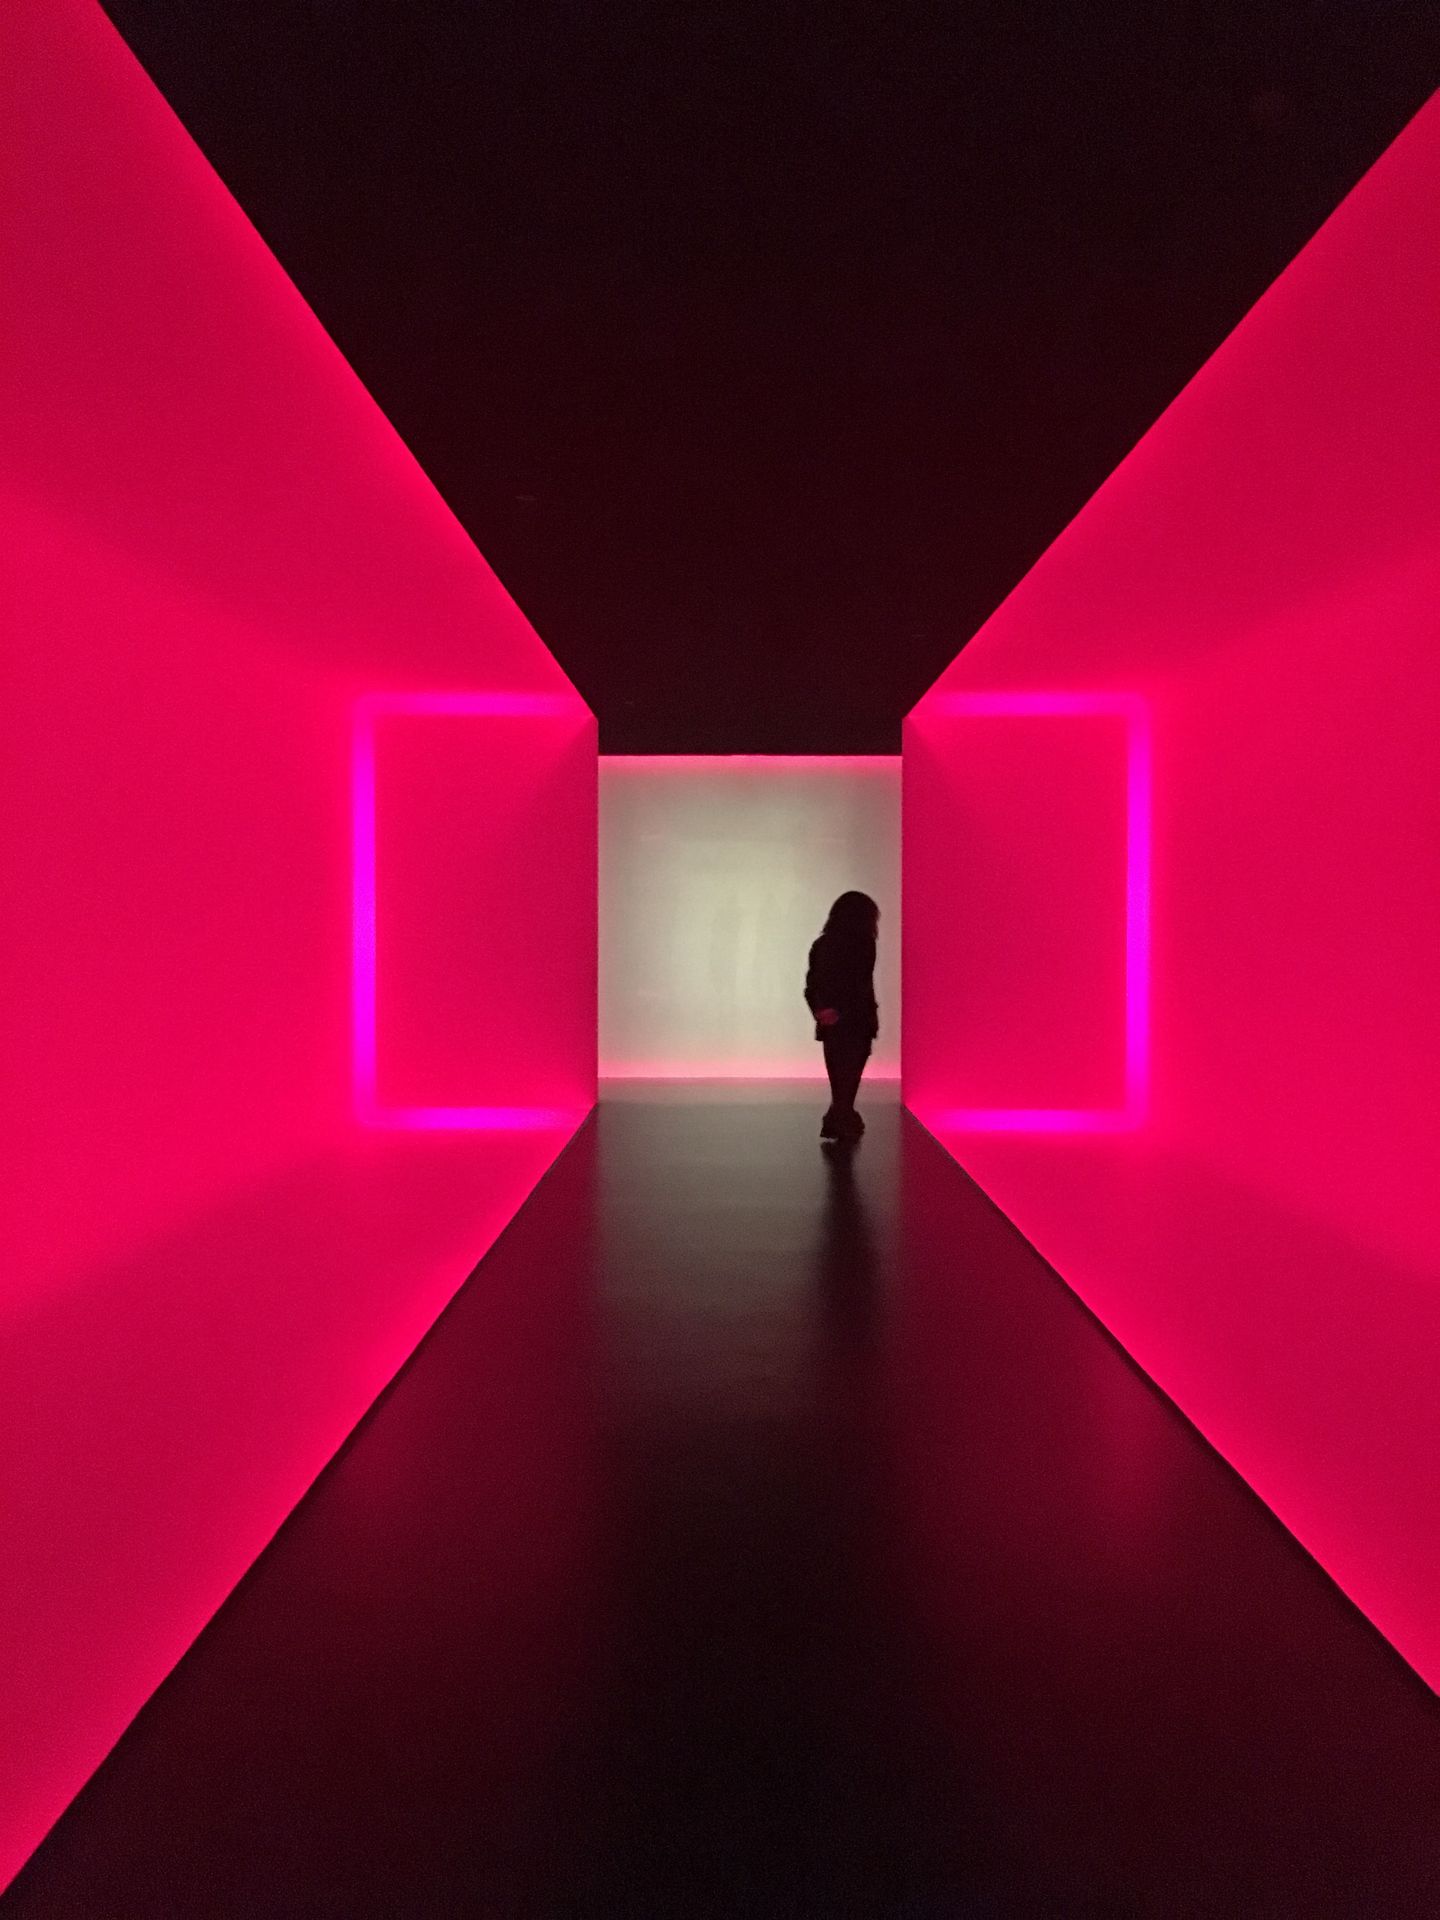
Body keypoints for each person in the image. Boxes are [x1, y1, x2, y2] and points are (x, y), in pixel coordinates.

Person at [804, 891, 880, 1142]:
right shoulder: (864, 945)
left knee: (838, 1077)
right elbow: (859, 986)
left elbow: (812, 985)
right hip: (857, 1021)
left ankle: (839, 1119)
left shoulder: (821, 945)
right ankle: (841, 1119)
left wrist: (821, 1010)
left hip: (831, 1023)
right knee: (849, 1078)